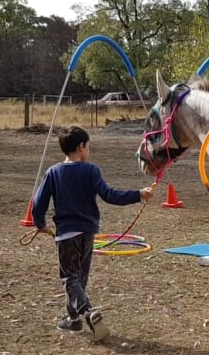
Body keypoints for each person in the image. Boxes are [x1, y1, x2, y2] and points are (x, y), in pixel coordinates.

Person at [31, 126, 153, 341]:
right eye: (88, 146)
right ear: (81, 147)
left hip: (66, 234)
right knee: (78, 278)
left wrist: (40, 223)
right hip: (88, 233)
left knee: (69, 277)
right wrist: (138, 194)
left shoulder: (53, 172)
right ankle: (74, 320)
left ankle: (87, 312)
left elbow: (38, 203)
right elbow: (109, 195)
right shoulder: (90, 170)